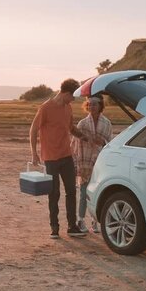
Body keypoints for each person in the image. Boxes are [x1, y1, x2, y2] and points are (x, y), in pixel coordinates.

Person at [30, 78, 88, 239]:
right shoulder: (46, 108)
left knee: (71, 191)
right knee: (53, 193)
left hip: (66, 156)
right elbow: (33, 130)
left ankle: (72, 226)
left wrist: (84, 136)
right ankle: (54, 227)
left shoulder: (68, 108)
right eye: (73, 96)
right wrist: (34, 152)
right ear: (66, 93)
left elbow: (70, 128)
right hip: (50, 158)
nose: (74, 100)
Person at [71, 95, 112, 233]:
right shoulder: (82, 123)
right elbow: (75, 144)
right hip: (85, 162)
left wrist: (103, 142)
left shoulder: (107, 123)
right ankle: (81, 220)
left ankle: (96, 221)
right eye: (89, 104)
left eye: (94, 104)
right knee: (83, 193)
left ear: (100, 105)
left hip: (100, 163)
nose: (91, 106)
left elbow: (110, 144)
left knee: (99, 192)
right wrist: (76, 163)